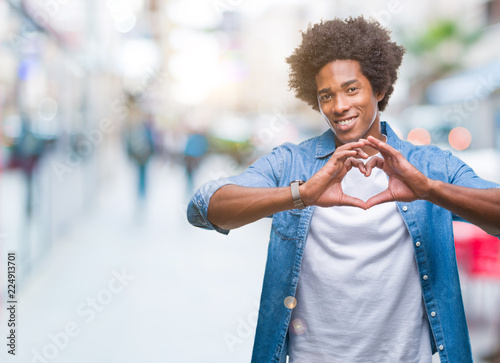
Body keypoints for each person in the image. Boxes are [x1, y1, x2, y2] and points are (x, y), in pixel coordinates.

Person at [187, 16, 500, 363]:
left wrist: (429, 190)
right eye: (326, 95)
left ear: (379, 89)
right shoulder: (292, 164)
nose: (338, 106)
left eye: (351, 89)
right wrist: (301, 195)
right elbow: (204, 208)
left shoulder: (429, 167)